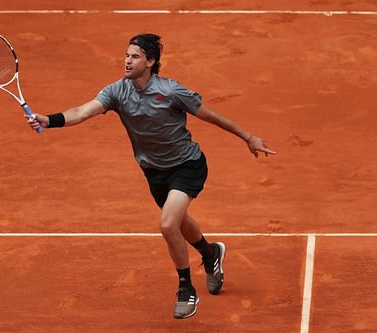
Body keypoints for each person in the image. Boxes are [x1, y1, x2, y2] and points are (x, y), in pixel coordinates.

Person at [27, 33, 275, 319]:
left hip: (187, 165)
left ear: (150, 62)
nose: (127, 61)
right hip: (153, 171)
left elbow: (211, 116)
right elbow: (82, 112)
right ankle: (210, 254)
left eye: (134, 56)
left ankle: (186, 289)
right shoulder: (117, 91)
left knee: (168, 224)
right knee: (180, 222)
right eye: (126, 55)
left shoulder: (171, 91)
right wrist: (50, 119)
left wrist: (248, 136)